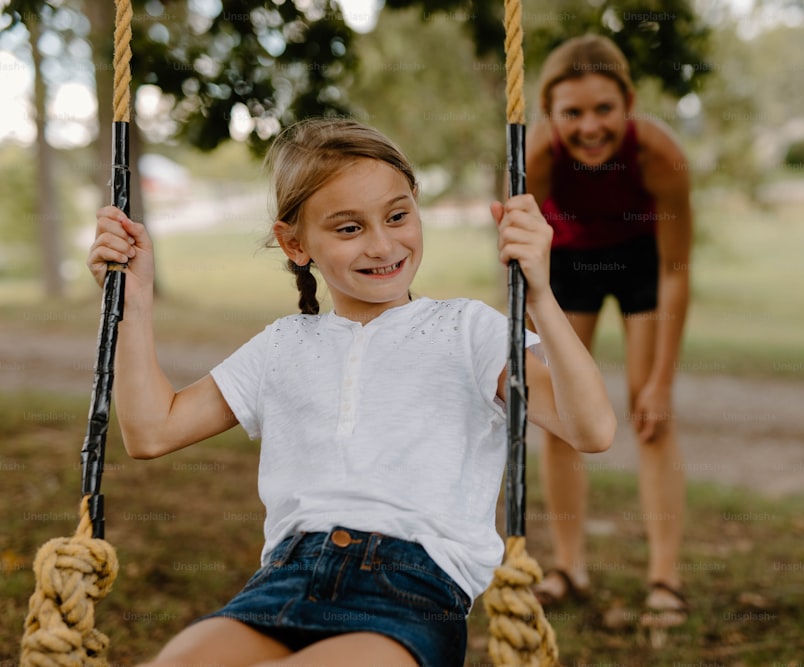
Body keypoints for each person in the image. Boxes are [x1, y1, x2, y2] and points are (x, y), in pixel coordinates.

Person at [87, 118, 616, 667]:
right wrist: (135, 302)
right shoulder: (284, 345)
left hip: (411, 596)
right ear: (295, 242)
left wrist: (541, 297)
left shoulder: (469, 331)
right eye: (348, 229)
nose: (383, 244)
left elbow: (591, 428)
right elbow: (151, 431)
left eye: (396, 216)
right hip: (281, 584)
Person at [525, 35, 693, 626]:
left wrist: (662, 383)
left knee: (650, 418)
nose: (590, 126)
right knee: (561, 418)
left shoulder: (659, 155)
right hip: (568, 264)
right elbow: (522, 261)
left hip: (643, 260)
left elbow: (676, 270)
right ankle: (569, 567)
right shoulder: (538, 158)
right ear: (550, 114)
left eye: (604, 109)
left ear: (629, 103)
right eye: (573, 112)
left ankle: (665, 578)